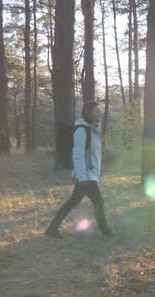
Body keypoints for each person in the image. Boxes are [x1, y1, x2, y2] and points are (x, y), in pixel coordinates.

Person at [45, 101, 113, 238]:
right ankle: (106, 232)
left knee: (72, 203)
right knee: (98, 202)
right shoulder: (82, 130)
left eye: (100, 111)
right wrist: (81, 177)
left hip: (90, 174)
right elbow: (78, 155)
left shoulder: (93, 130)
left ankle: (51, 229)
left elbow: (94, 155)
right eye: (97, 111)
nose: (100, 114)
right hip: (86, 176)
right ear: (88, 113)